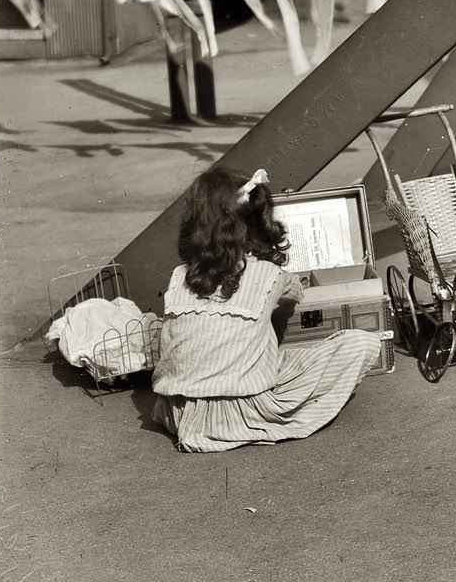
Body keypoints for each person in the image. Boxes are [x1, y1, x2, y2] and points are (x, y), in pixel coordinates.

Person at [150, 166, 382, 452]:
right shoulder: (269, 274)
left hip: (177, 411)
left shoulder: (178, 275)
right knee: (359, 343)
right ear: (252, 225)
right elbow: (295, 294)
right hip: (241, 413)